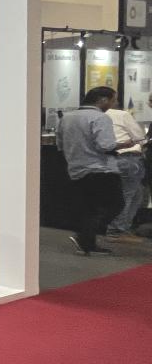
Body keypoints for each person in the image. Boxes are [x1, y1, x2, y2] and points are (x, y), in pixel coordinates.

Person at [57, 86, 123, 256]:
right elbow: (105, 145)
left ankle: (87, 243)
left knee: (90, 208)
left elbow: (60, 144)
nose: (114, 103)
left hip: (76, 169)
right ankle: (84, 237)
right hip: (101, 169)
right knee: (115, 204)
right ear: (102, 100)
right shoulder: (101, 118)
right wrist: (125, 144)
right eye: (113, 100)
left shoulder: (66, 118)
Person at [104, 104, 148, 240]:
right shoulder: (123, 115)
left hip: (110, 159)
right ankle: (116, 230)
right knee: (127, 195)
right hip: (128, 158)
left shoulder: (100, 116)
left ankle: (123, 227)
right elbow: (140, 136)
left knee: (137, 195)